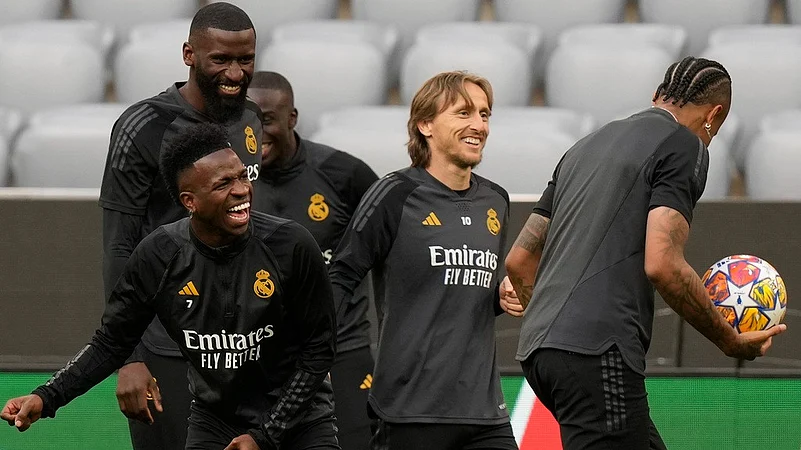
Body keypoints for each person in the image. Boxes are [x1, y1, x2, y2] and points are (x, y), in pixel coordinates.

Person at [504, 56, 787, 450]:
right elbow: (663, 264)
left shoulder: (585, 145)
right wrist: (729, 340)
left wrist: (555, 326)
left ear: (656, 95)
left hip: (540, 353)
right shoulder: (684, 144)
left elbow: (519, 261)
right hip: (599, 351)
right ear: (715, 115)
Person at [2, 123, 338, 450]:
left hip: (298, 421)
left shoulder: (289, 244)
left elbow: (319, 349)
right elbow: (112, 342)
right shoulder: (159, 255)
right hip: (217, 420)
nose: (241, 190)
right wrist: (46, 397)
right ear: (190, 201)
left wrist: (266, 435)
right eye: (223, 183)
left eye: (241, 177)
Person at [328, 71, 523, 450]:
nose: (479, 125)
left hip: (484, 412)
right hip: (409, 411)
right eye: (464, 112)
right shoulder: (393, 193)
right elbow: (340, 278)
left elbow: (468, 291)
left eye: (485, 114)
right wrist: (314, 363)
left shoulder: (496, 200)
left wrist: (500, 297)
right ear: (425, 124)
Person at [99, 3, 262, 448]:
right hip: (167, 343)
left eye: (245, 59)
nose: (235, 73)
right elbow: (119, 247)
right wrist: (129, 357)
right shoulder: (144, 125)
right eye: (220, 59)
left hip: (244, 343)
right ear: (189, 54)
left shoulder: (251, 118)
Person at [247, 71, 379, 450]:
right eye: (247, 120)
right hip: (260, 356)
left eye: (267, 120)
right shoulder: (226, 176)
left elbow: (396, 241)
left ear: (292, 118)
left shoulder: (344, 174)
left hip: (342, 352)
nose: (256, 132)